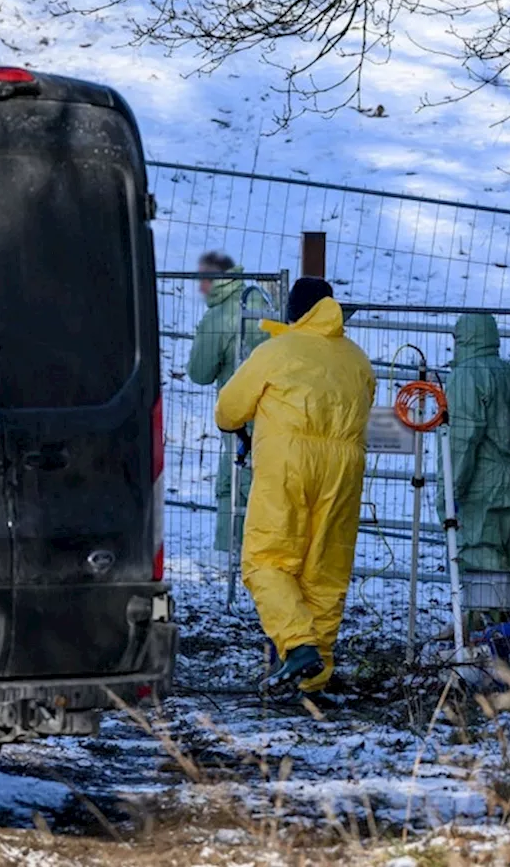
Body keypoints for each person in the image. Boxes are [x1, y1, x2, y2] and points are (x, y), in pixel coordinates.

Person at [214, 278, 375, 693]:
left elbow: (228, 411)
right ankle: (312, 680)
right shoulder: (358, 360)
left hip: (288, 464)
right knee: (324, 571)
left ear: (294, 311)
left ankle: (298, 645)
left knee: (265, 561)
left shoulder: (275, 352)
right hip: (344, 469)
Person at [441, 314, 510, 574]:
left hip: (483, 486)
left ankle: (482, 615)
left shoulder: (467, 376)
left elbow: (462, 440)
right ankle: (505, 615)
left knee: (479, 562)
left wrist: (448, 491)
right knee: (506, 560)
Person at [186, 252, 265, 553]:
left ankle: (231, 555)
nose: (200, 287)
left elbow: (199, 372)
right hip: (277, 411)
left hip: (240, 415)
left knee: (233, 483)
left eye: (203, 279)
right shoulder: (263, 302)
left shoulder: (219, 318)